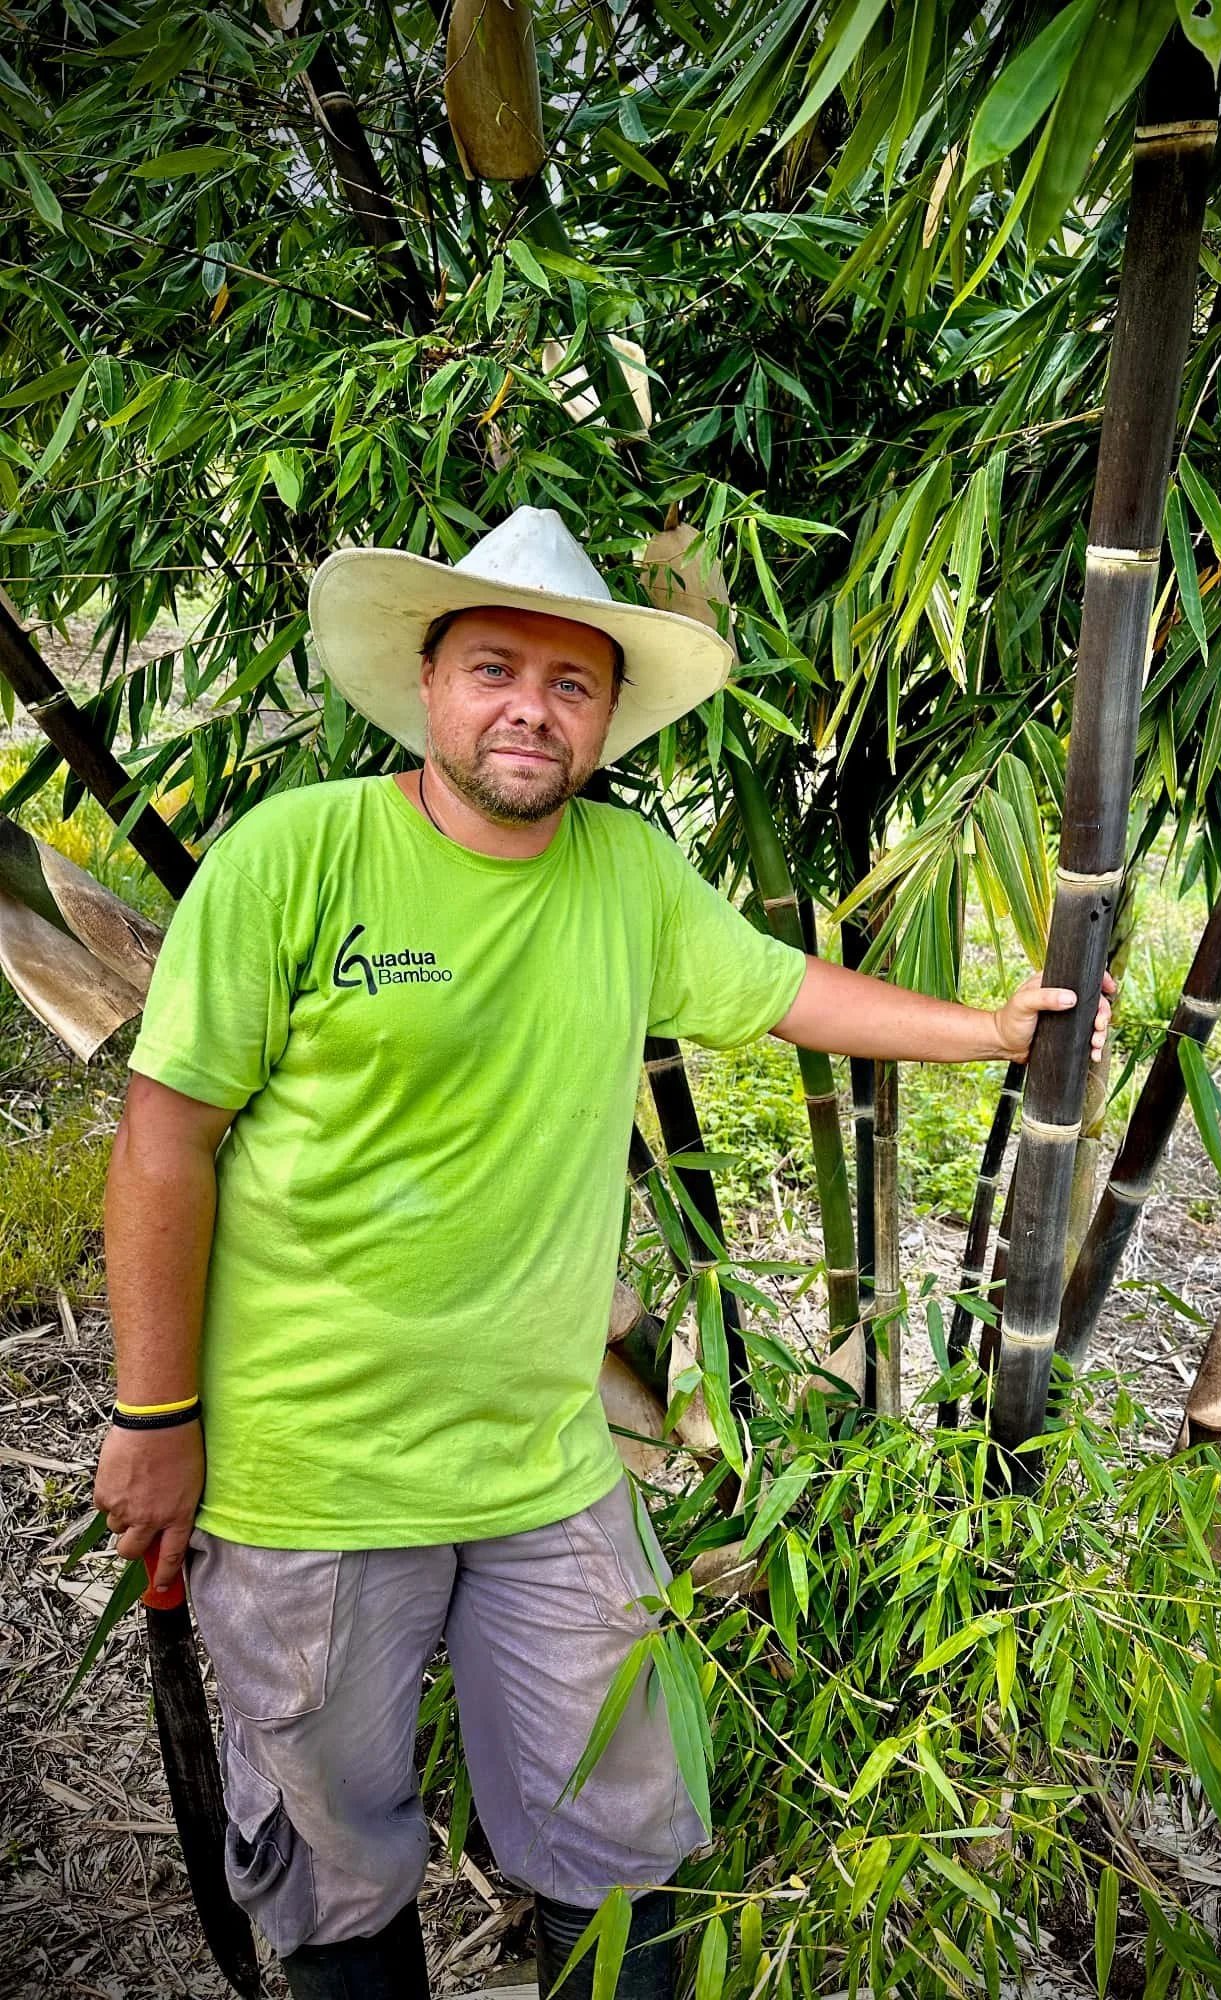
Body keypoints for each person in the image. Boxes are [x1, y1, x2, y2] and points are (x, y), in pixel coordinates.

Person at [93, 508, 1113, 1999]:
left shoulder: (627, 876)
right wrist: (154, 1416)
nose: (530, 708)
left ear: (607, 719)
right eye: (495, 668)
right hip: (311, 1469)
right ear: (428, 686)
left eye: (570, 685)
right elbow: (162, 1142)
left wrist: (989, 1034)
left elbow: (782, 990)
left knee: (628, 1841)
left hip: (548, 1467)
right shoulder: (295, 858)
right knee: (335, 1861)